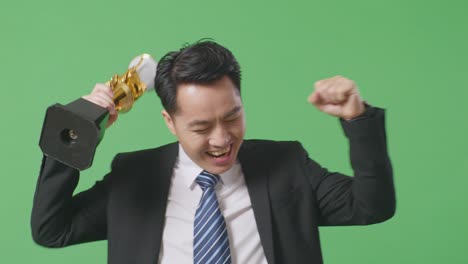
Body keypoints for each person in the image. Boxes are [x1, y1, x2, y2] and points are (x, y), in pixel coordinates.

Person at [31, 40, 396, 264]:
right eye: (201, 128)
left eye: (233, 117)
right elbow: (52, 230)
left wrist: (357, 120)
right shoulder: (135, 176)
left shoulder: (287, 164)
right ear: (170, 122)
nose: (222, 139)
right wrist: (77, 126)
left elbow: (371, 205)